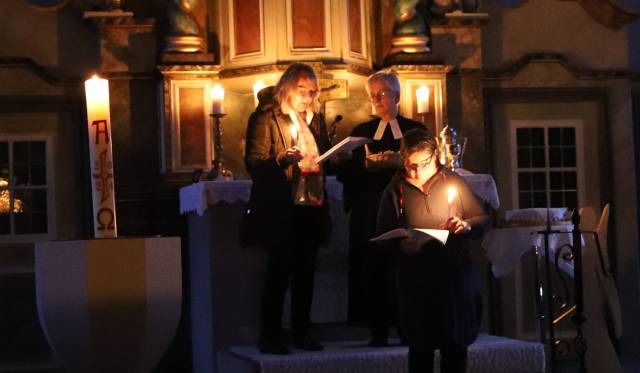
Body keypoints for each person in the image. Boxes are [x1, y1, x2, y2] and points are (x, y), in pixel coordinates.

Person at [376, 128, 489, 373]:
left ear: (435, 155)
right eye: (410, 164)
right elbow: (383, 235)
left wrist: (467, 224)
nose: (415, 171)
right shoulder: (395, 190)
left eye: (422, 163)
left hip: (453, 277)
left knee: (455, 348)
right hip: (416, 281)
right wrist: (401, 245)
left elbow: (483, 218)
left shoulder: (452, 181)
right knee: (420, 351)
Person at [244, 63, 332, 354]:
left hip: (311, 206)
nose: (308, 96)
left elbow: (322, 156)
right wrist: (282, 160)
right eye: (302, 89)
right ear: (286, 88)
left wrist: (338, 156)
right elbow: (254, 163)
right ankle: (270, 337)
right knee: (279, 274)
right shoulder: (266, 118)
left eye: (312, 91)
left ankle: (302, 333)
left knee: (306, 274)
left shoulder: (315, 119)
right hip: (282, 208)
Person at [338, 69, 425, 346]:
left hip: (406, 210)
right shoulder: (361, 132)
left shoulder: (414, 130)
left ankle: (407, 328)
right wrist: (360, 164)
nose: (376, 99)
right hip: (370, 211)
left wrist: (399, 164)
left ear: (397, 95)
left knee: (405, 271)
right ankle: (376, 330)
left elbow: (428, 167)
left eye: (382, 94)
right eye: (372, 95)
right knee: (372, 270)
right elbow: (347, 174)